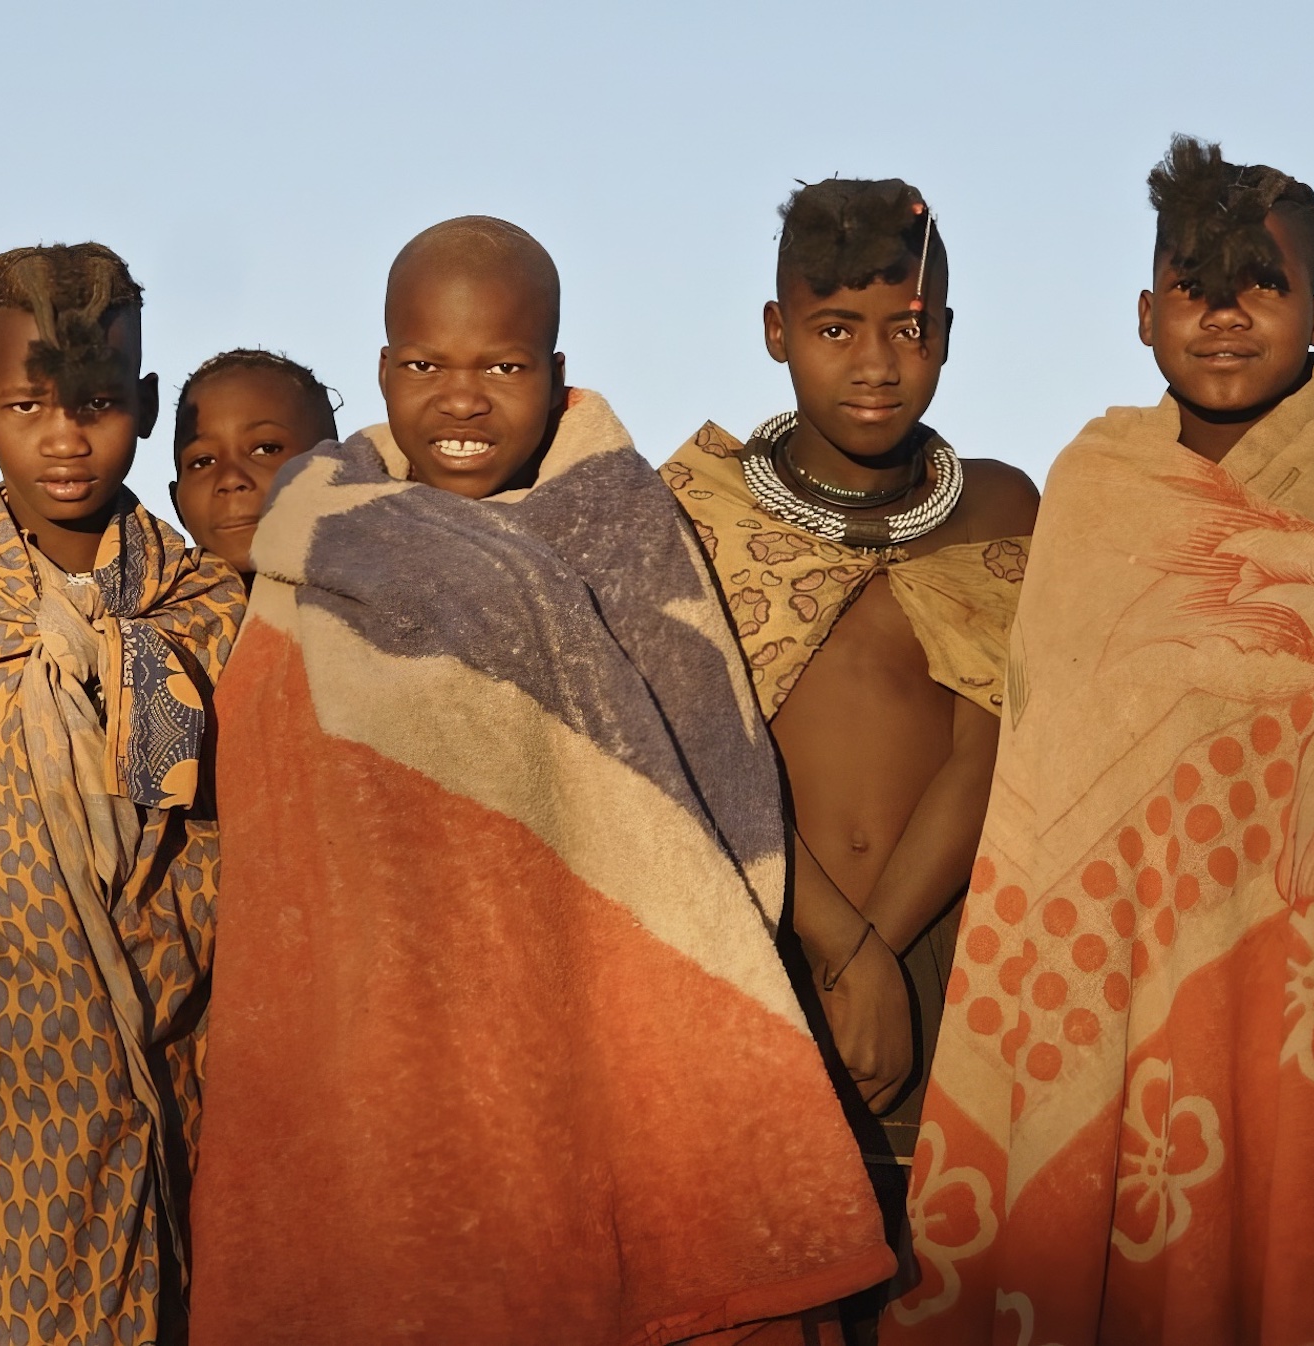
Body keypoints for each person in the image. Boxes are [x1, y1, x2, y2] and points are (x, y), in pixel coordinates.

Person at [188, 216, 894, 1343]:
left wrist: (838, 940)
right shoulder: (315, 550)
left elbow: (699, 771)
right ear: (383, 370)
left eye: (502, 367)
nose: (461, 401)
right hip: (384, 1049)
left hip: (594, 1031)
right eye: (425, 366)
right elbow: (290, 829)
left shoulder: (625, 534)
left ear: (555, 373)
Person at [887, 136, 1314, 1345]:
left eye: (1261, 283)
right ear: (1142, 311)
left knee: (1256, 1246)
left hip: (1286, 937)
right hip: (1101, 928)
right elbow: (1061, 717)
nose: (1224, 315)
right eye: (1194, 282)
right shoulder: (1095, 477)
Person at [658, 177, 1037, 1331]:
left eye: (905, 330)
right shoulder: (692, 509)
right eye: (833, 329)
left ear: (946, 337)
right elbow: (698, 743)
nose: (873, 363)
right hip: (767, 955)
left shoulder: (1004, 508)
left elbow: (991, 740)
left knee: (946, 1288)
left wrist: (884, 954)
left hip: (953, 967)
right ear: (776, 332)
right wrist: (836, 945)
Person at [0, 243, 240, 1345]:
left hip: (163, 1074)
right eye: (28, 404)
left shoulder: (200, 599)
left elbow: (172, 826)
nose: (65, 438)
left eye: (100, 403)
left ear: (147, 405)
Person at [169, 348, 340, 577]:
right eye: (203, 461)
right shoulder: (152, 608)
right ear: (176, 502)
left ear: (339, 474)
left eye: (266, 449)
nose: (231, 479)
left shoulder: (394, 596)